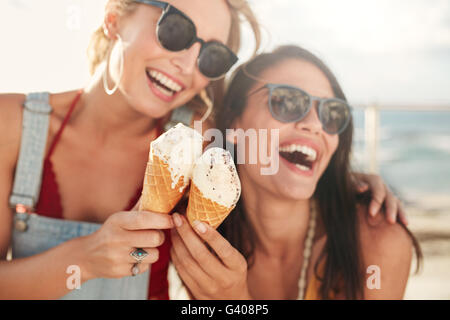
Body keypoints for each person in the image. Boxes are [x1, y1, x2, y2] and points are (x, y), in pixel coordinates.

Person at [0, 0, 261, 299]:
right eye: (175, 29)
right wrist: (84, 259)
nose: (188, 65)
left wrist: (235, 299)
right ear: (113, 19)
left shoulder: (205, 147)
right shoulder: (11, 124)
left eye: (212, 56)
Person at [168, 45, 422, 300]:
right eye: (287, 102)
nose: (314, 125)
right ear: (235, 122)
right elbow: (139, 259)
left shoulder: (378, 242)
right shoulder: (200, 233)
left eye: (331, 114)